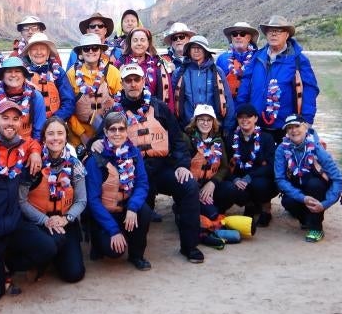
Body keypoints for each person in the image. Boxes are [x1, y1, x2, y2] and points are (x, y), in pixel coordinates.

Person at [113, 64, 204, 263]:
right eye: (128, 80)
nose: (133, 84)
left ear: (143, 82)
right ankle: (136, 255)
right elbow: (101, 139)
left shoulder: (160, 108)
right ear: (122, 84)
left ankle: (189, 246)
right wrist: (93, 145)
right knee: (140, 208)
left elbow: (178, 140)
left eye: (137, 79)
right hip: (133, 174)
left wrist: (181, 164)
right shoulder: (115, 112)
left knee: (189, 186)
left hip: (161, 167)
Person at [0, 100, 52, 299]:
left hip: (15, 222)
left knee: (48, 248)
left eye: (15, 119)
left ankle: (10, 263)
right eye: (5, 118)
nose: (10, 123)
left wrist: (35, 153)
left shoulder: (23, 146)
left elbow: (34, 142)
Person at [18, 116, 86, 283]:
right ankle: (42, 258)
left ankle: (56, 257)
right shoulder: (33, 163)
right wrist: (45, 220)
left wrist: (66, 219)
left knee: (74, 274)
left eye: (60, 133)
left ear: (66, 136)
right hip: (38, 222)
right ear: (44, 138)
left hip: (65, 222)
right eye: (50, 134)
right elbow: (21, 200)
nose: (55, 138)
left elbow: (81, 200)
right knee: (48, 245)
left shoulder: (75, 165)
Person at [84, 111, 153, 270]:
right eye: (112, 129)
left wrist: (133, 207)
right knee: (113, 252)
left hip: (125, 206)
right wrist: (113, 230)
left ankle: (137, 255)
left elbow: (142, 183)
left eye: (121, 129)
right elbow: (93, 200)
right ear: (106, 132)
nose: (117, 133)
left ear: (126, 131)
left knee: (145, 211)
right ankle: (100, 239)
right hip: (104, 212)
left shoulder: (134, 153)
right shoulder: (96, 159)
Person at [237, 15, 319, 144]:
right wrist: (240, 112)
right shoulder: (257, 57)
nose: (273, 34)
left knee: (283, 162)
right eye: (270, 31)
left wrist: (307, 119)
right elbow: (245, 85)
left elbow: (310, 90)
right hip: (256, 125)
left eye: (278, 31)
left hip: (286, 127)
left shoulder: (299, 60)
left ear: (287, 35)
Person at [274, 114, 342, 243]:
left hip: (316, 188)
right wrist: (303, 198)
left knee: (314, 185)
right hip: (298, 190)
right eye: (289, 128)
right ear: (286, 132)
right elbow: (280, 179)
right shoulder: (281, 149)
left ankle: (316, 227)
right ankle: (306, 219)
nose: (293, 130)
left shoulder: (317, 148)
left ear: (305, 127)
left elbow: (339, 179)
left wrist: (324, 204)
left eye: (297, 126)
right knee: (287, 202)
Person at [216, 103, 278, 227]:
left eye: (248, 116)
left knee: (260, 184)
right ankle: (249, 206)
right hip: (239, 179)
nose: (244, 120)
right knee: (231, 187)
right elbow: (224, 165)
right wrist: (235, 179)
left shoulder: (267, 138)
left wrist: (250, 177)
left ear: (255, 118)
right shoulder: (230, 139)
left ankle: (265, 209)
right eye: (241, 117)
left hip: (259, 178)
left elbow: (271, 166)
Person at [66, 33, 122, 149]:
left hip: (109, 135)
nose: (91, 51)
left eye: (95, 48)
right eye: (86, 48)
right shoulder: (71, 74)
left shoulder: (113, 72)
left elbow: (120, 103)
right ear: (81, 52)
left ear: (101, 51)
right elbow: (67, 108)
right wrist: (82, 135)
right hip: (79, 138)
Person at [181, 104, 230, 236]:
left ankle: (215, 209)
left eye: (208, 120)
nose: (205, 123)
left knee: (231, 190)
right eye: (201, 119)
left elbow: (224, 167)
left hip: (210, 185)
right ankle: (182, 209)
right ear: (195, 121)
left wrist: (213, 183)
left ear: (213, 122)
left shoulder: (218, 141)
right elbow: (182, 166)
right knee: (210, 214)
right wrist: (196, 190)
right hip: (192, 187)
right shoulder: (186, 139)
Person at [173, 35, 236, 131]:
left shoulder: (217, 72)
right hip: (187, 126)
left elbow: (227, 99)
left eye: (200, 48)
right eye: (193, 47)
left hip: (212, 126)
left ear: (205, 51)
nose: (196, 50)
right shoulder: (179, 72)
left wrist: (228, 127)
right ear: (189, 50)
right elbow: (172, 100)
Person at [20, 32, 75, 122]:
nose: (39, 52)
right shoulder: (22, 72)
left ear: (48, 52)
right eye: (34, 49)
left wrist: (54, 121)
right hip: (30, 123)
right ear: (29, 52)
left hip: (55, 123)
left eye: (42, 49)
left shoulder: (58, 71)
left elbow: (68, 101)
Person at [0, 57, 47, 141]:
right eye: (8, 71)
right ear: (2, 76)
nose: (13, 75)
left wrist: (34, 151)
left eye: (17, 71)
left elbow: (38, 132)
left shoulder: (36, 97)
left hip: (26, 147)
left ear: (24, 75)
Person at [122, 27, 175, 112]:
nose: (139, 43)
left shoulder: (158, 64)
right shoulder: (121, 62)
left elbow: (167, 92)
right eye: (135, 40)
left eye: (142, 40)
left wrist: (168, 114)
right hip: (126, 114)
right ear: (130, 42)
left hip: (154, 114)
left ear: (148, 43)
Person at [216, 21, 259, 99]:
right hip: (229, 107)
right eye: (235, 34)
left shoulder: (258, 58)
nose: (238, 37)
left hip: (251, 108)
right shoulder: (222, 59)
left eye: (242, 34)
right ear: (231, 38)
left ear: (249, 38)